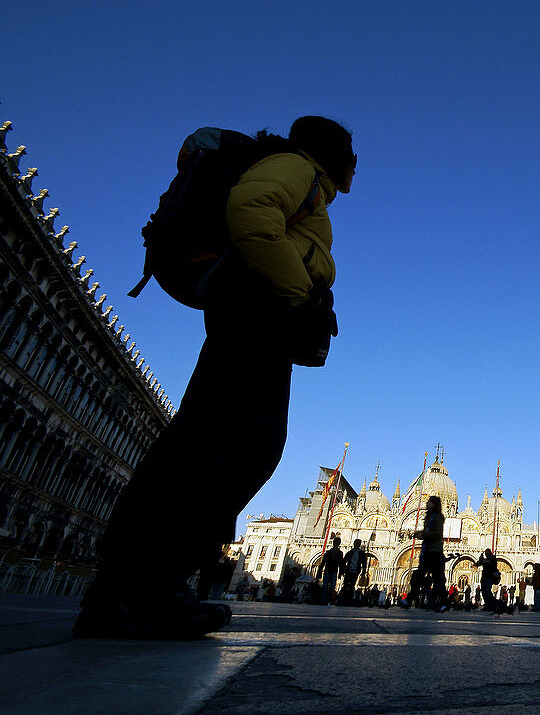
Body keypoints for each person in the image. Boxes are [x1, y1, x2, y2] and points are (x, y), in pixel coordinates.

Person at [74, 116, 356, 639]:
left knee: (230, 438)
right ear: (330, 151)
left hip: (258, 308)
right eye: (352, 151)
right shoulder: (298, 168)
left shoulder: (307, 183)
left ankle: (139, 585)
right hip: (256, 306)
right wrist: (297, 296)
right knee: (231, 440)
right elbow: (251, 212)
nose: (357, 163)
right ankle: (139, 587)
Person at [401, 495, 448, 611]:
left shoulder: (437, 517)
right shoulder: (430, 517)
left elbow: (437, 533)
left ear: (435, 504)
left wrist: (423, 535)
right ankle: (444, 603)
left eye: (430, 502)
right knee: (430, 578)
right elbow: (430, 531)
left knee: (427, 577)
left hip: (434, 551)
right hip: (429, 551)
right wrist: (420, 533)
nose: (427, 504)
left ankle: (410, 600)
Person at [317, 537, 345, 604]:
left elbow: (341, 564)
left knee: (332, 587)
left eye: (337, 542)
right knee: (325, 586)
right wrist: (319, 572)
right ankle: (324, 600)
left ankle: (329, 600)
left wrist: (341, 573)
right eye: (335, 542)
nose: (336, 544)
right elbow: (322, 563)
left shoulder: (340, 553)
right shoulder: (328, 553)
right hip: (327, 571)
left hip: (334, 572)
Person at [340, 539, 367, 605]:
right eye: (355, 543)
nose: (356, 544)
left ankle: (348, 600)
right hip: (348, 571)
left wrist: (363, 572)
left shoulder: (361, 554)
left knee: (352, 586)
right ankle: (342, 600)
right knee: (345, 585)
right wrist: (342, 571)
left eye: (357, 543)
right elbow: (344, 562)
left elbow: (364, 563)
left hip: (355, 572)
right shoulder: (350, 552)